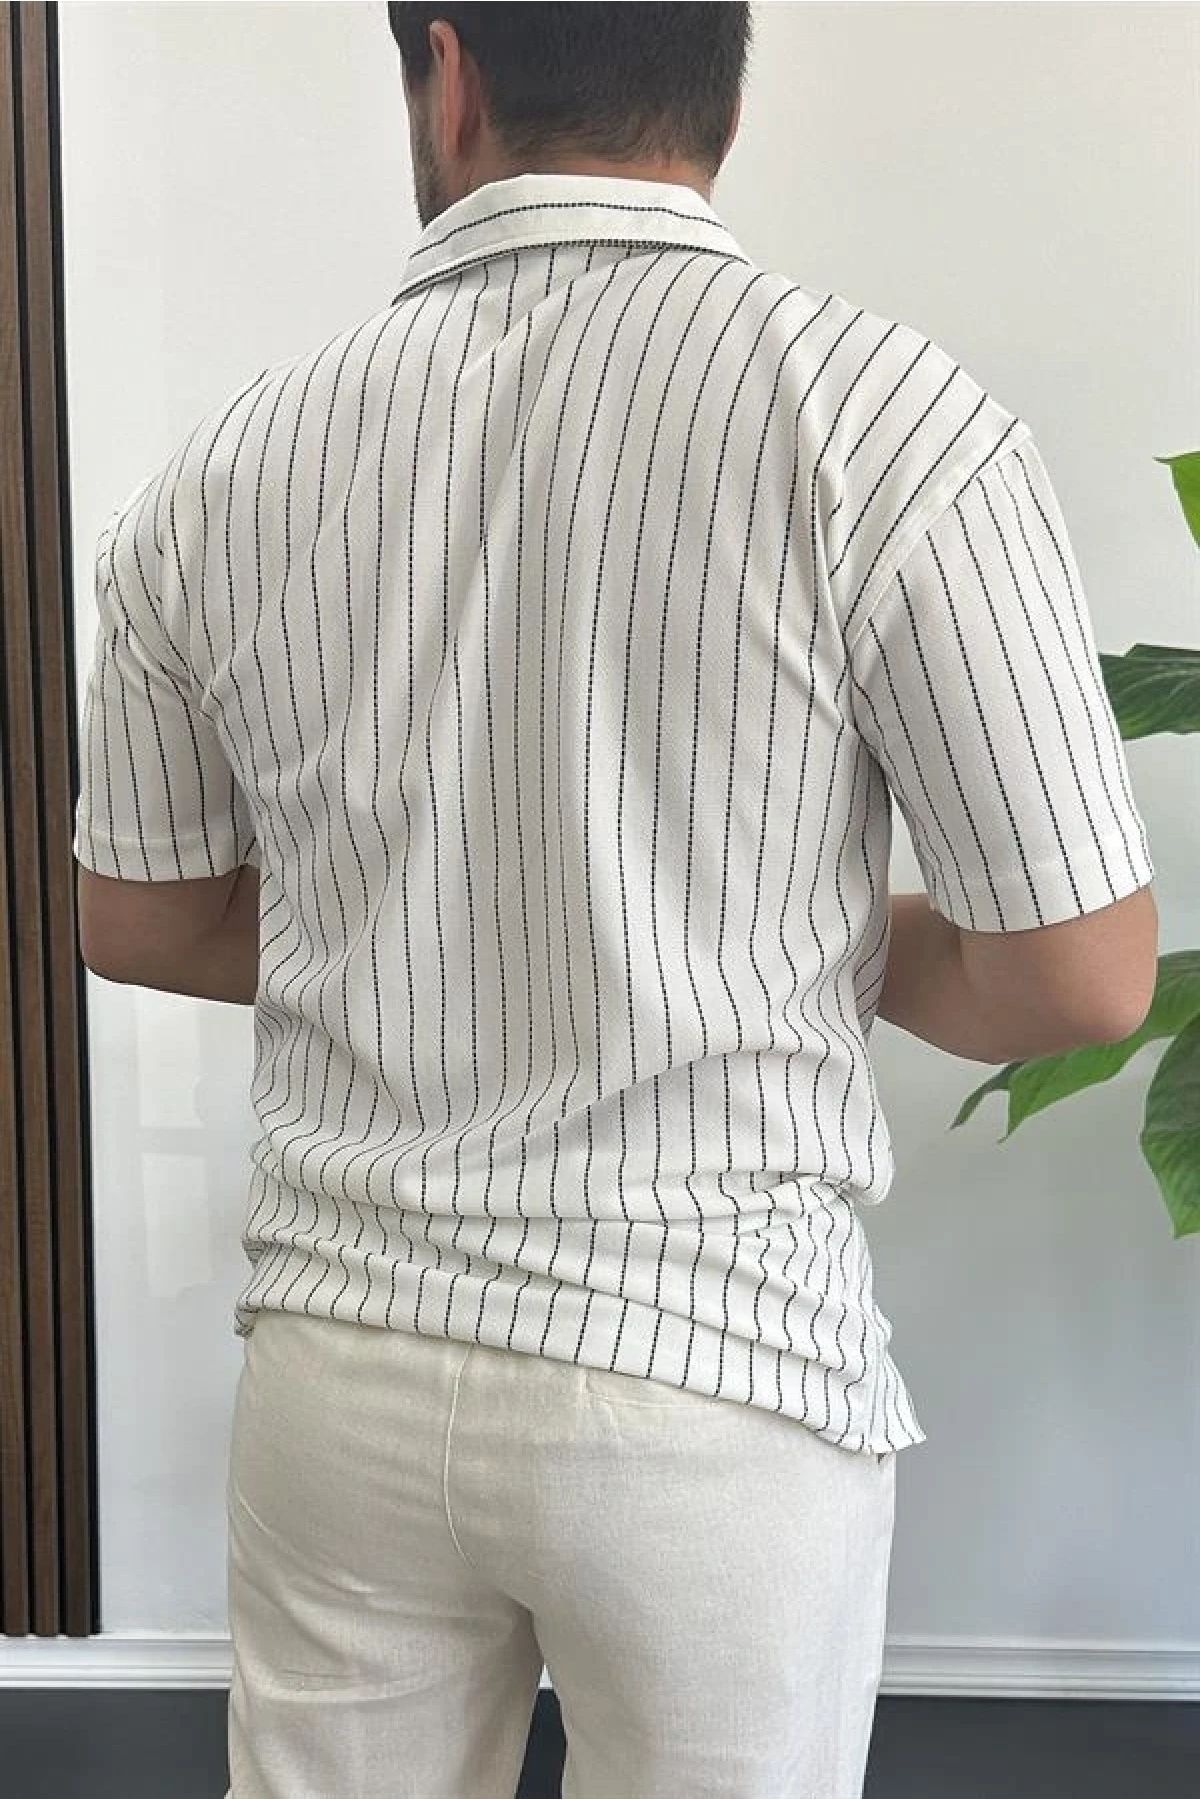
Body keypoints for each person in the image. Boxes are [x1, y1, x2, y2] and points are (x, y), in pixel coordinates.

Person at [73, 3, 1158, 1796]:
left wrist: (412, 928)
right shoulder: (894, 425)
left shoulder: (224, 469)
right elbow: (1082, 976)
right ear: (720, 82)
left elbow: (137, 915)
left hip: (345, 1353)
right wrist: (789, 942)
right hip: (711, 1367)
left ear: (452, 77)